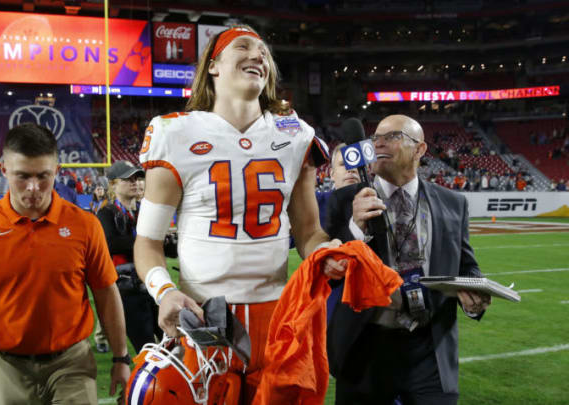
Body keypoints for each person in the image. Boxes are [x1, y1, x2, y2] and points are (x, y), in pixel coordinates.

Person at [133, 25, 345, 404]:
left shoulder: (295, 134)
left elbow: (309, 232)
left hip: (278, 318)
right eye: (244, 47)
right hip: (204, 316)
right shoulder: (175, 133)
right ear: (213, 66)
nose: (259, 56)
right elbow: (147, 241)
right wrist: (164, 292)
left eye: (264, 52)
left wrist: (328, 252)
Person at [0, 123, 130, 405]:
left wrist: (121, 357)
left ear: (57, 171)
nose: (33, 187)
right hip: (8, 365)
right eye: (22, 176)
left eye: (43, 176)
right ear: (3, 170)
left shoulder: (84, 225)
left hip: (71, 362)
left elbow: (107, 293)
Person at [324, 114, 491, 405]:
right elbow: (329, 271)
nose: (378, 143)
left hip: (430, 347)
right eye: (375, 137)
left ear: (420, 150)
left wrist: (474, 294)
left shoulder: (453, 203)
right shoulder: (344, 200)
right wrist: (356, 228)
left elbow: (466, 265)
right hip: (367, 343)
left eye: (392, 137)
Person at [97, 160, 163, 353]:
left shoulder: (144, 210)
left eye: (137, 178)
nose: (135, 182)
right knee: (147, 349)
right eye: (128, 179)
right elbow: (111, 244)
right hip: (128, 291)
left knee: (172, 343)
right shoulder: (106, 213)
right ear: (113, 184)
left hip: (153, 285)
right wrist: (148, 241)